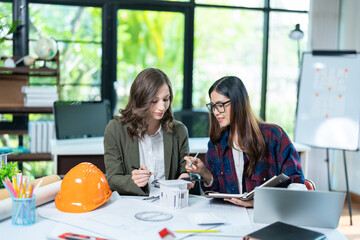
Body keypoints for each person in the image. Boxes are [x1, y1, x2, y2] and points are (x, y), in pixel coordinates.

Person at [185, 76, 304, 207]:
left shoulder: (274, 135)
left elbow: (297, 185)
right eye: (213, 106)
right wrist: (203, 172)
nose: (215, 112)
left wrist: (258, 203)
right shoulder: (216, 144)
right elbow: (214, 193)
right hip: (231, 216)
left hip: (267, 214)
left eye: (220, 105)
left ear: (238, 102)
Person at [104, 68, 193, 196]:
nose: (162, 107)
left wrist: (185, 178)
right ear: (140, 99)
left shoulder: (179, 131)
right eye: (154, 101)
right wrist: (134, 180)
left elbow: (184, 171)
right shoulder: (115, 129)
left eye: (166, 99)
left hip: (169, 203)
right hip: (131, 205)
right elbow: (113, 179)